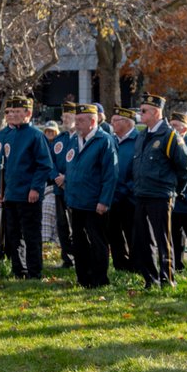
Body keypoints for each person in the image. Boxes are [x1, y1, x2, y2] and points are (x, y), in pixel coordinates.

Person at [131, 93, 187, 289]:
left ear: (156, 112)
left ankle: (167, 280)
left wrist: (174, 190)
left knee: (163, 239)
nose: (140, 114)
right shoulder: (142, 135)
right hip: (141, 194)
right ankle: (150, 278)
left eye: (143, 111)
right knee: (143, 239)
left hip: (160, 196)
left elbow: (185, 167)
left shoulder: (169, 135)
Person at [57, 104, 117, 289]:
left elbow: (111, 174)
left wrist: (104, 201)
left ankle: (99, 279)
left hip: (94, 202)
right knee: (79, 241)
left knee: (97, 241)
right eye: (76, 120)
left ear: (93, 121)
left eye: (81, 120)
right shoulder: (75, 140)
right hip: (76, 201)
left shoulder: (104, 140)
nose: (77, 123)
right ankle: (83, 278)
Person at [0, 94, 53, 280]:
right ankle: (19, 269)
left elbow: (44, 165)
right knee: (13, 235)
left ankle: (34, 272)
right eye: (12, 111)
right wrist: (0, 192)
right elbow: (3, 168)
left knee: (31, 235)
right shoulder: (8, 136)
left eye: (19, 111)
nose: (15, 114)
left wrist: (35, 188)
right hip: (10, 195)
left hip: (28, 195)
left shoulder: (36, 136)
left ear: (28, 113)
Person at [108, 106, 138, 272]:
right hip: (112, 197)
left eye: (115, 121)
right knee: (114, 233)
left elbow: (138, 171)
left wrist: (126, 190)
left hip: (130, 198)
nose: (111, 124)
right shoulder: (111, 140)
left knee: (132, 233)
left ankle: (135, 266)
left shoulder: (138, 140)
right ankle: (120, 265)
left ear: (126, 122)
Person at [48, 100, 77, 268]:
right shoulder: (60, 139)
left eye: (68, 116)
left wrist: (67, 178)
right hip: (59, 190)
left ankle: (79, 255)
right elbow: (49, 162)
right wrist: (56, 177)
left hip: (74, 189)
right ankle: (67, 257)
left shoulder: (80, 138)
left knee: (76, 224)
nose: (65, 119)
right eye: (64, 116)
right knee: (62, 224)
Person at [168, 111, 187, 272]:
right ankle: (177, 266)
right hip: (174, 201)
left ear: (184, 129)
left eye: (175, 126)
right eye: (171, 125)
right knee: (175, 238)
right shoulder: (169, 144)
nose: (172, 129)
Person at [41, 121, 61, 244]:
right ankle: (46, 238)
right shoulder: (42, 144)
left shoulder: (59, 144)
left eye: (52, 131)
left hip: (56, 183)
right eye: (47, 131)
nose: (49, 133)